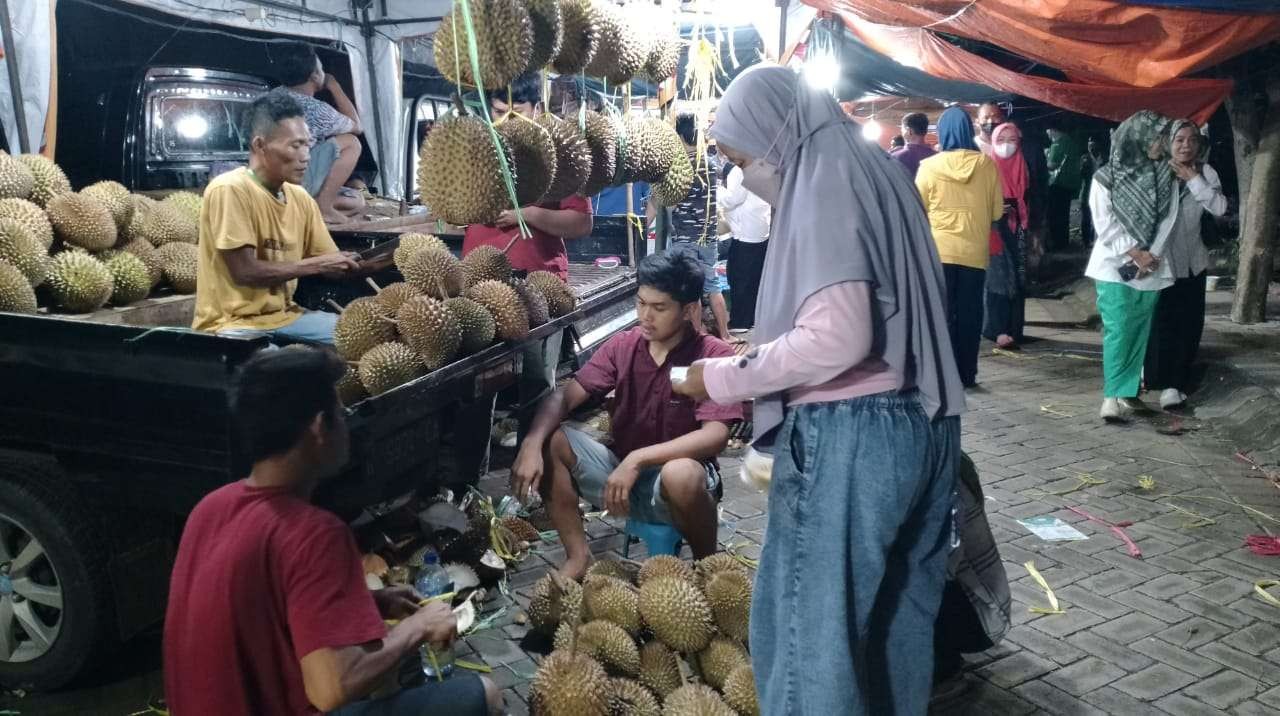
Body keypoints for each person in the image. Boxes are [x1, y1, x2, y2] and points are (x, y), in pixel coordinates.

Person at [676, 64, 965, 715]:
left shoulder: (825, 175)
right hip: (927, 426)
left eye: (742, 157)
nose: (744, 173)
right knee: (893, 633)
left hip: (855, 433)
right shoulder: (879, 169)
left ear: (775, 133)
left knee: (812, 645)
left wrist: (719, 375)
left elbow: (838, 337)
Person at [163, 347, 502, 715]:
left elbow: (265, 615)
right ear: (318, 428)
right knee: (485, 694)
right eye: (341, 413)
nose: (347, 425)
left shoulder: (210, 509)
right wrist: (417, 628)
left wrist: (371, 603)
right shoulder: (314, 535)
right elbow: (331, 687)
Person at [512, 252, 743, 579]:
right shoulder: (624, 345)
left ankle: (709, 567)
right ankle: (578, 557)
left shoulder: (713, 355)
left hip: (678, 487)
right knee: (552, 439)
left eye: (659, 308)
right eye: (640, 303)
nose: (645, 316)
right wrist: (531, 444)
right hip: (620, 479)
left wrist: (637, 460)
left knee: (681, 473)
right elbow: (564, 396)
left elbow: (716, 435)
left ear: (689, 309)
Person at [456, 71, 595, 486]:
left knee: (536, 383)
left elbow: (581, 223)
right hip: (479, 277)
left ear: (537, 108)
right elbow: (452, 208)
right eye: (498, 111)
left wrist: (528, 215)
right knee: (477, 388)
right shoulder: (477, 151)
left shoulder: (558, 152)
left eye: (516, 110)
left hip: (539, 283)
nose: (506, 120)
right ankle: (467, 482)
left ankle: (529, 480)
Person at [192, 89, 381, 345]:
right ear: (260, 145)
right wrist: (319, 265)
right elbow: (245, 271)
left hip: (287, 317)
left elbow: (329, 263)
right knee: (278, 373)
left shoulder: (300, 198)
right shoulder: (230, 189)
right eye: (295, 145)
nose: (306, 157)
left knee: (370, 338)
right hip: (231, 325)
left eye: (307, 144)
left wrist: (375, 262)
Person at [1084, 110, 1179, 422]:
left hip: (1152, 265)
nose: (1161, 143)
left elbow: (1169, 218)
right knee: (1118, 329)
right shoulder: (1106, 177)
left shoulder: (1167, 175)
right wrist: (1134, 253)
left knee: (1141, 330)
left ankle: (1128, 392)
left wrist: (1151, 254)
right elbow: (1104, 222)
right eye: (1156, 137)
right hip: (1115, 265)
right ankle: (1111, 394)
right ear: (1136, 137)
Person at [916, 106, 1005, 388]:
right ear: (969, 129)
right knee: (970, 314)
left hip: (939, 251)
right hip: (973, 253)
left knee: (941, 313)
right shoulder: (987, 165)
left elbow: (919, 209)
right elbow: (996, 213)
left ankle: (940, 375)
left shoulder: (929, 166)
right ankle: (966, 374)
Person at [1144, 120, 1226, 410]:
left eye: (1191, 140)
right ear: (1169, 143)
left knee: (1188, 324)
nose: (1186, 146)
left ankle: (1175, 383)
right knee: (1161, 322)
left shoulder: (1205, 172)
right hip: (1161, 262)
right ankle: (1156, 378)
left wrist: (1193, 178)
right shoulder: (1155, 173)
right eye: (1179, 140)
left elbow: (1219, 208)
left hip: (1193, 262)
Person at [277, 43, 367, 224]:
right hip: (295, 181)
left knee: (357, 201)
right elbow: (357, 126)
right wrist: (334, 86)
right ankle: (323, 208)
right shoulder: (316, 110)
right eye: (322, 69)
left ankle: (307, 211)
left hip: (270, 181)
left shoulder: (268, 97)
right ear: (315, 76)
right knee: (351, 142)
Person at [664, 113, 731, 341]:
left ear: (680, 134)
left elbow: (670, 203)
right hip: (708, 236)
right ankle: (725, 334)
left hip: (685, 236)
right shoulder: (710, 164)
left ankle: (699, 336)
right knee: (713, 285)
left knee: (691, 288)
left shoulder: (678, 166)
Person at [983, 123, 1030, 349]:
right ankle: (997, 328)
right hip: (994, 228)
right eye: (1001, 141)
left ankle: (1014, 328)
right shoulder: (987, 167)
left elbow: (1036, 198)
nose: (1007, 146)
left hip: (1019, 229)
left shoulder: (1024, 167)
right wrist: (993, 208)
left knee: (1019, 278)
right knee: (998, 278)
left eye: (1012, 140)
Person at [718, 162, 770, 331]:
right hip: (759, 229)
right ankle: (753, 317)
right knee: (754, 278)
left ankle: (740, 321)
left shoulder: (740, 170)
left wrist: (714, 189)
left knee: (739, 277)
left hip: (746, 234)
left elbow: (732, 199)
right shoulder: (761, 164)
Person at [1045, 119, 1084, 250]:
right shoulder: (1071, 142)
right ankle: (1063, 242)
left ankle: (1057, 244)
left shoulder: (1058, 144)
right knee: (1064, 214)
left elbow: (1052, 165)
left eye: (1048, 132)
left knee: (1055, 215)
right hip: (1070, 183)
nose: (1048, 135)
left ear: (1052, 130)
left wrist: (1042, 161)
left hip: (1058, 184)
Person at [1079, 134, 1109, 245]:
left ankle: (1096, 240)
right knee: (1086, 217)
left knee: (1098, 216)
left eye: (1093, 145)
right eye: (1089, 145)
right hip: (1086, 192)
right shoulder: (1084, 158)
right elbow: (1081, 175)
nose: (1091, 148)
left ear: (1098, 145)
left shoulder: (1105, 158)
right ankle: (1086, 241)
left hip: (1101, 192)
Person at [892, 112, 937, 178]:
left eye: (902, 129)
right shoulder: (937, 156)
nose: (901, 132)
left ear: (909, 131)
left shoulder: (896, 157)